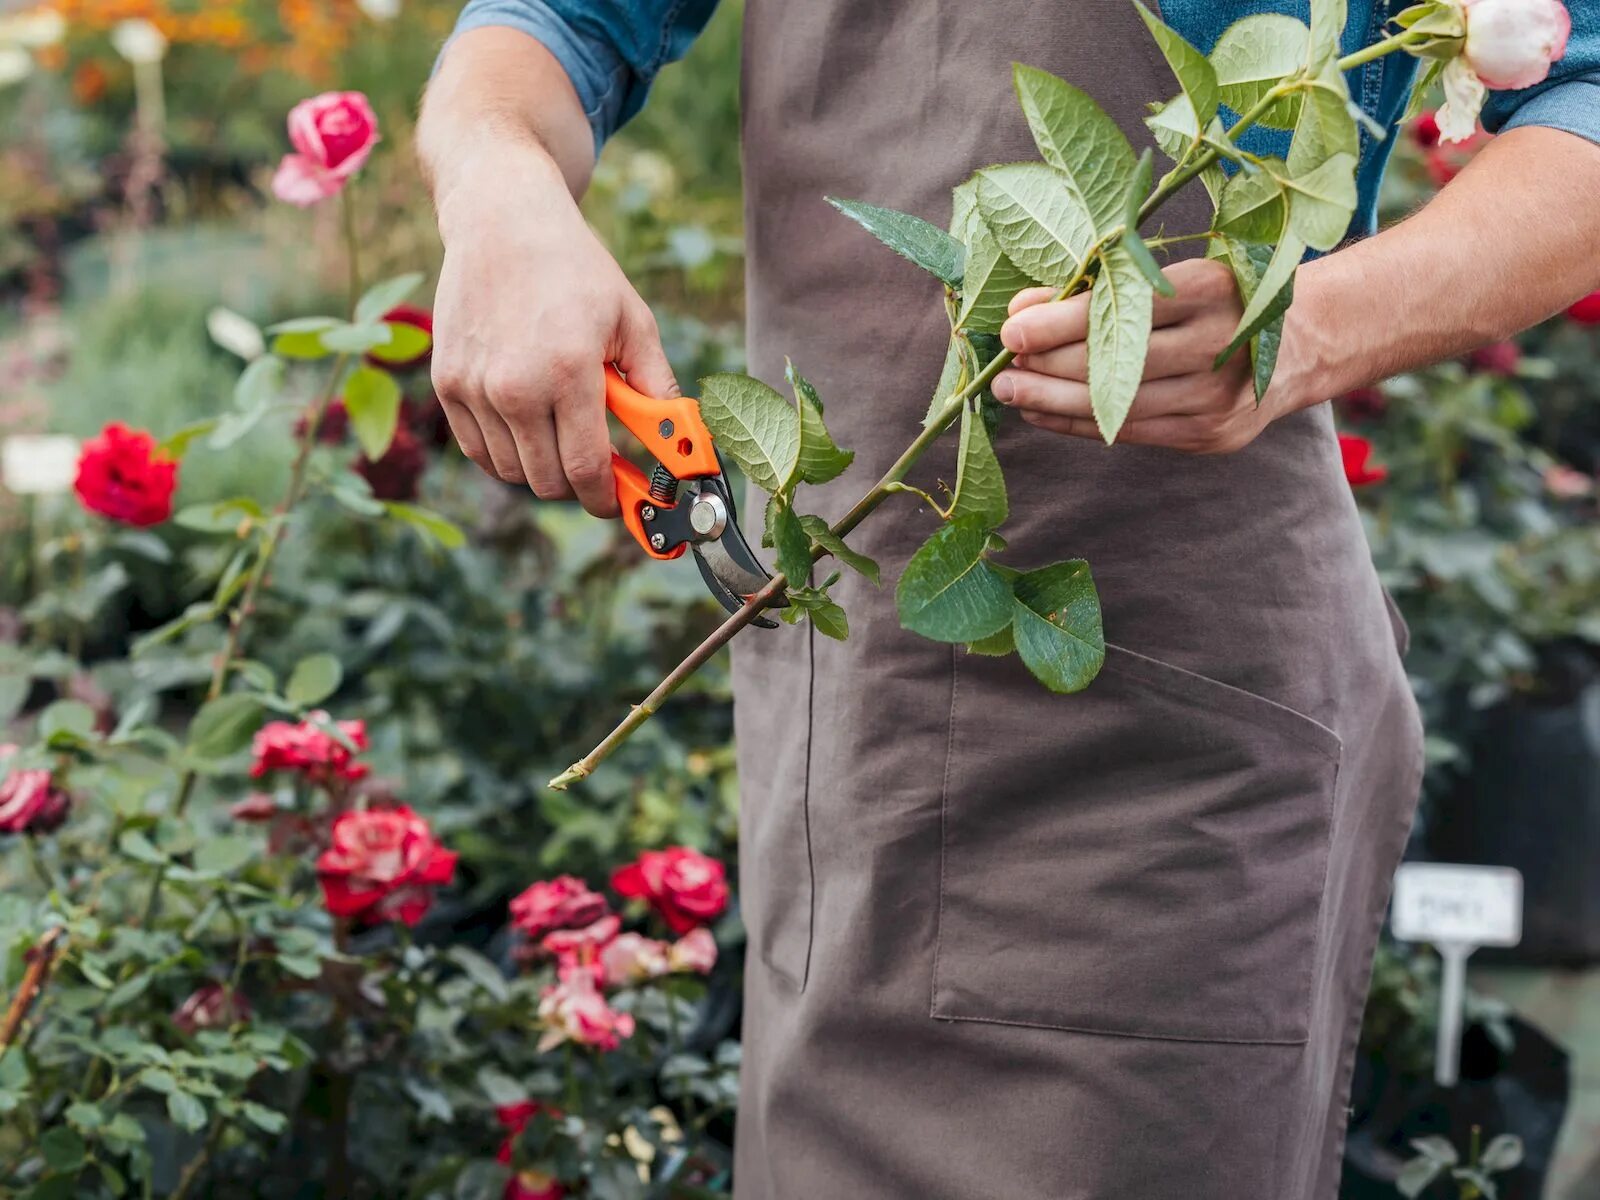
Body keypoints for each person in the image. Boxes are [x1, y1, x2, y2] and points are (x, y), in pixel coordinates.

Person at [418, 3, 1600, 1196]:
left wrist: (1307, 330)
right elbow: (560, 27)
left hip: (1155, 763)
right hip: (849, 720)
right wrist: (497, 184)